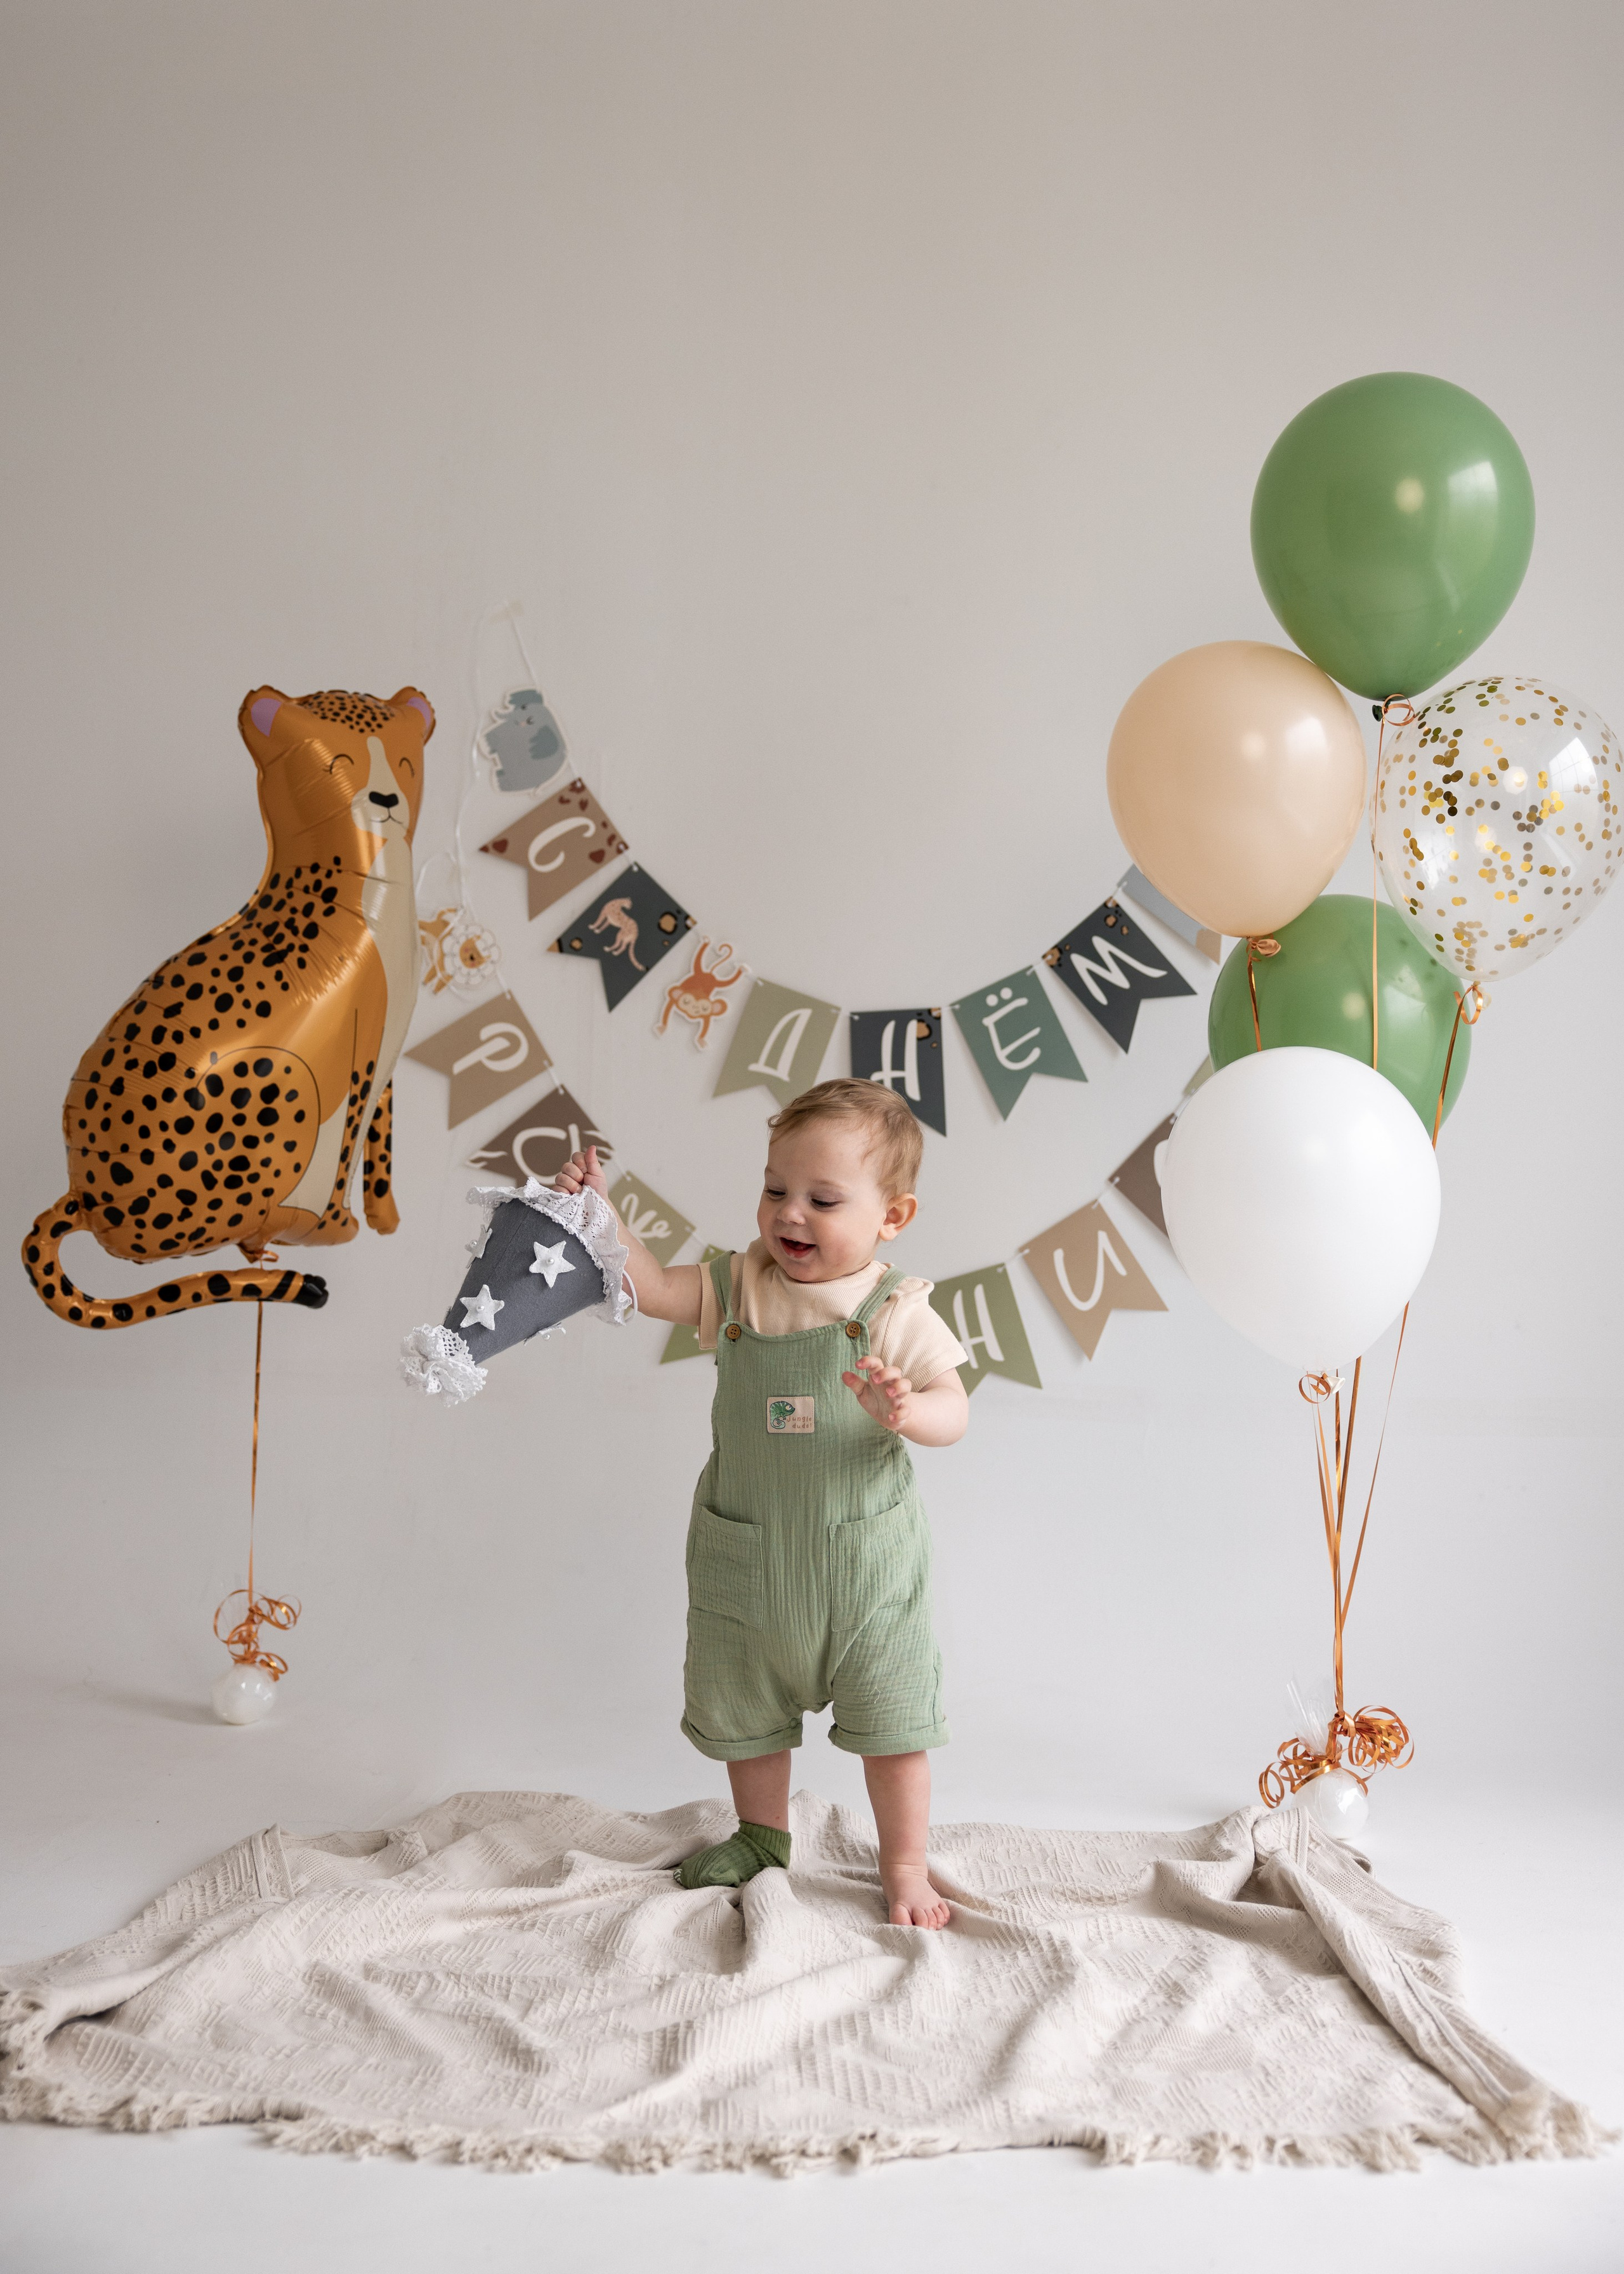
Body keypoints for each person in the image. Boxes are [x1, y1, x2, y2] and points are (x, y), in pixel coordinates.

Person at [554, 1078, 969, 1929]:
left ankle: (904, 1864)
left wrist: (909, 1411)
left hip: (866, 1575)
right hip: (751, 1558)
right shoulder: (742, 1284)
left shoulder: (896, 1309)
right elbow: (655, 1292)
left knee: (893, 1723)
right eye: (776, 1189)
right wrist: (605, 1221)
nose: (790, 1214)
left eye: (823, 1198)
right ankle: (761, 1835)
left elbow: (954, 1409)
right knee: (747, 1708)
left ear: (893, 1217)